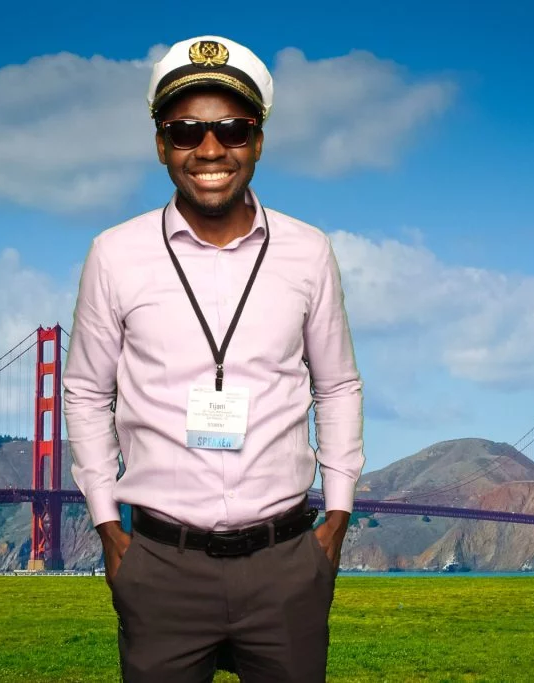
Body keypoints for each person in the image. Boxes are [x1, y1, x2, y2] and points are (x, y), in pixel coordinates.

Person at [62, 34, 365, 682]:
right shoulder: (114, 255)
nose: (209, 149)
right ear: (160, 144)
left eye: (231, 129)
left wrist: (336, 520)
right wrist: (109, 526)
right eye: (185, 131)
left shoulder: (309, 251)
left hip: (287, 562)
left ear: (258, 141)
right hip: (160, 566)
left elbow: (337, 385)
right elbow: (86, 391)